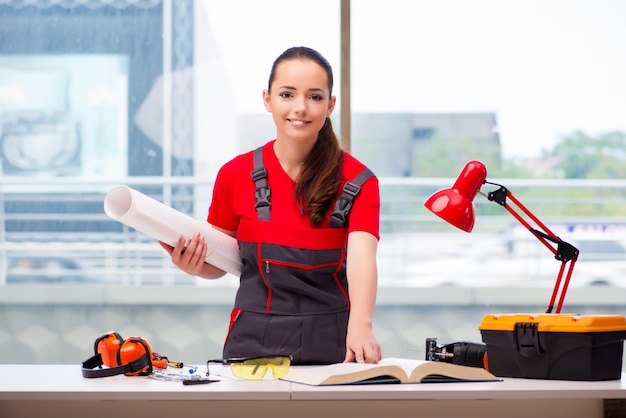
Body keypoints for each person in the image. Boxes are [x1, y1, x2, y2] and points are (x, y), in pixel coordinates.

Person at [161, 46, 382, 365]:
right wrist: (192, 263)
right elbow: (220, 261)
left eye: (315, 97)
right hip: (251, 346)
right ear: (268, 99)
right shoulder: (234, 175)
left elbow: (363, 260)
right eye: (288, 94)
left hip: (333, 345)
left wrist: (361, 327)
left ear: (330, 105)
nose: (301, 108)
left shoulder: (360, 182)